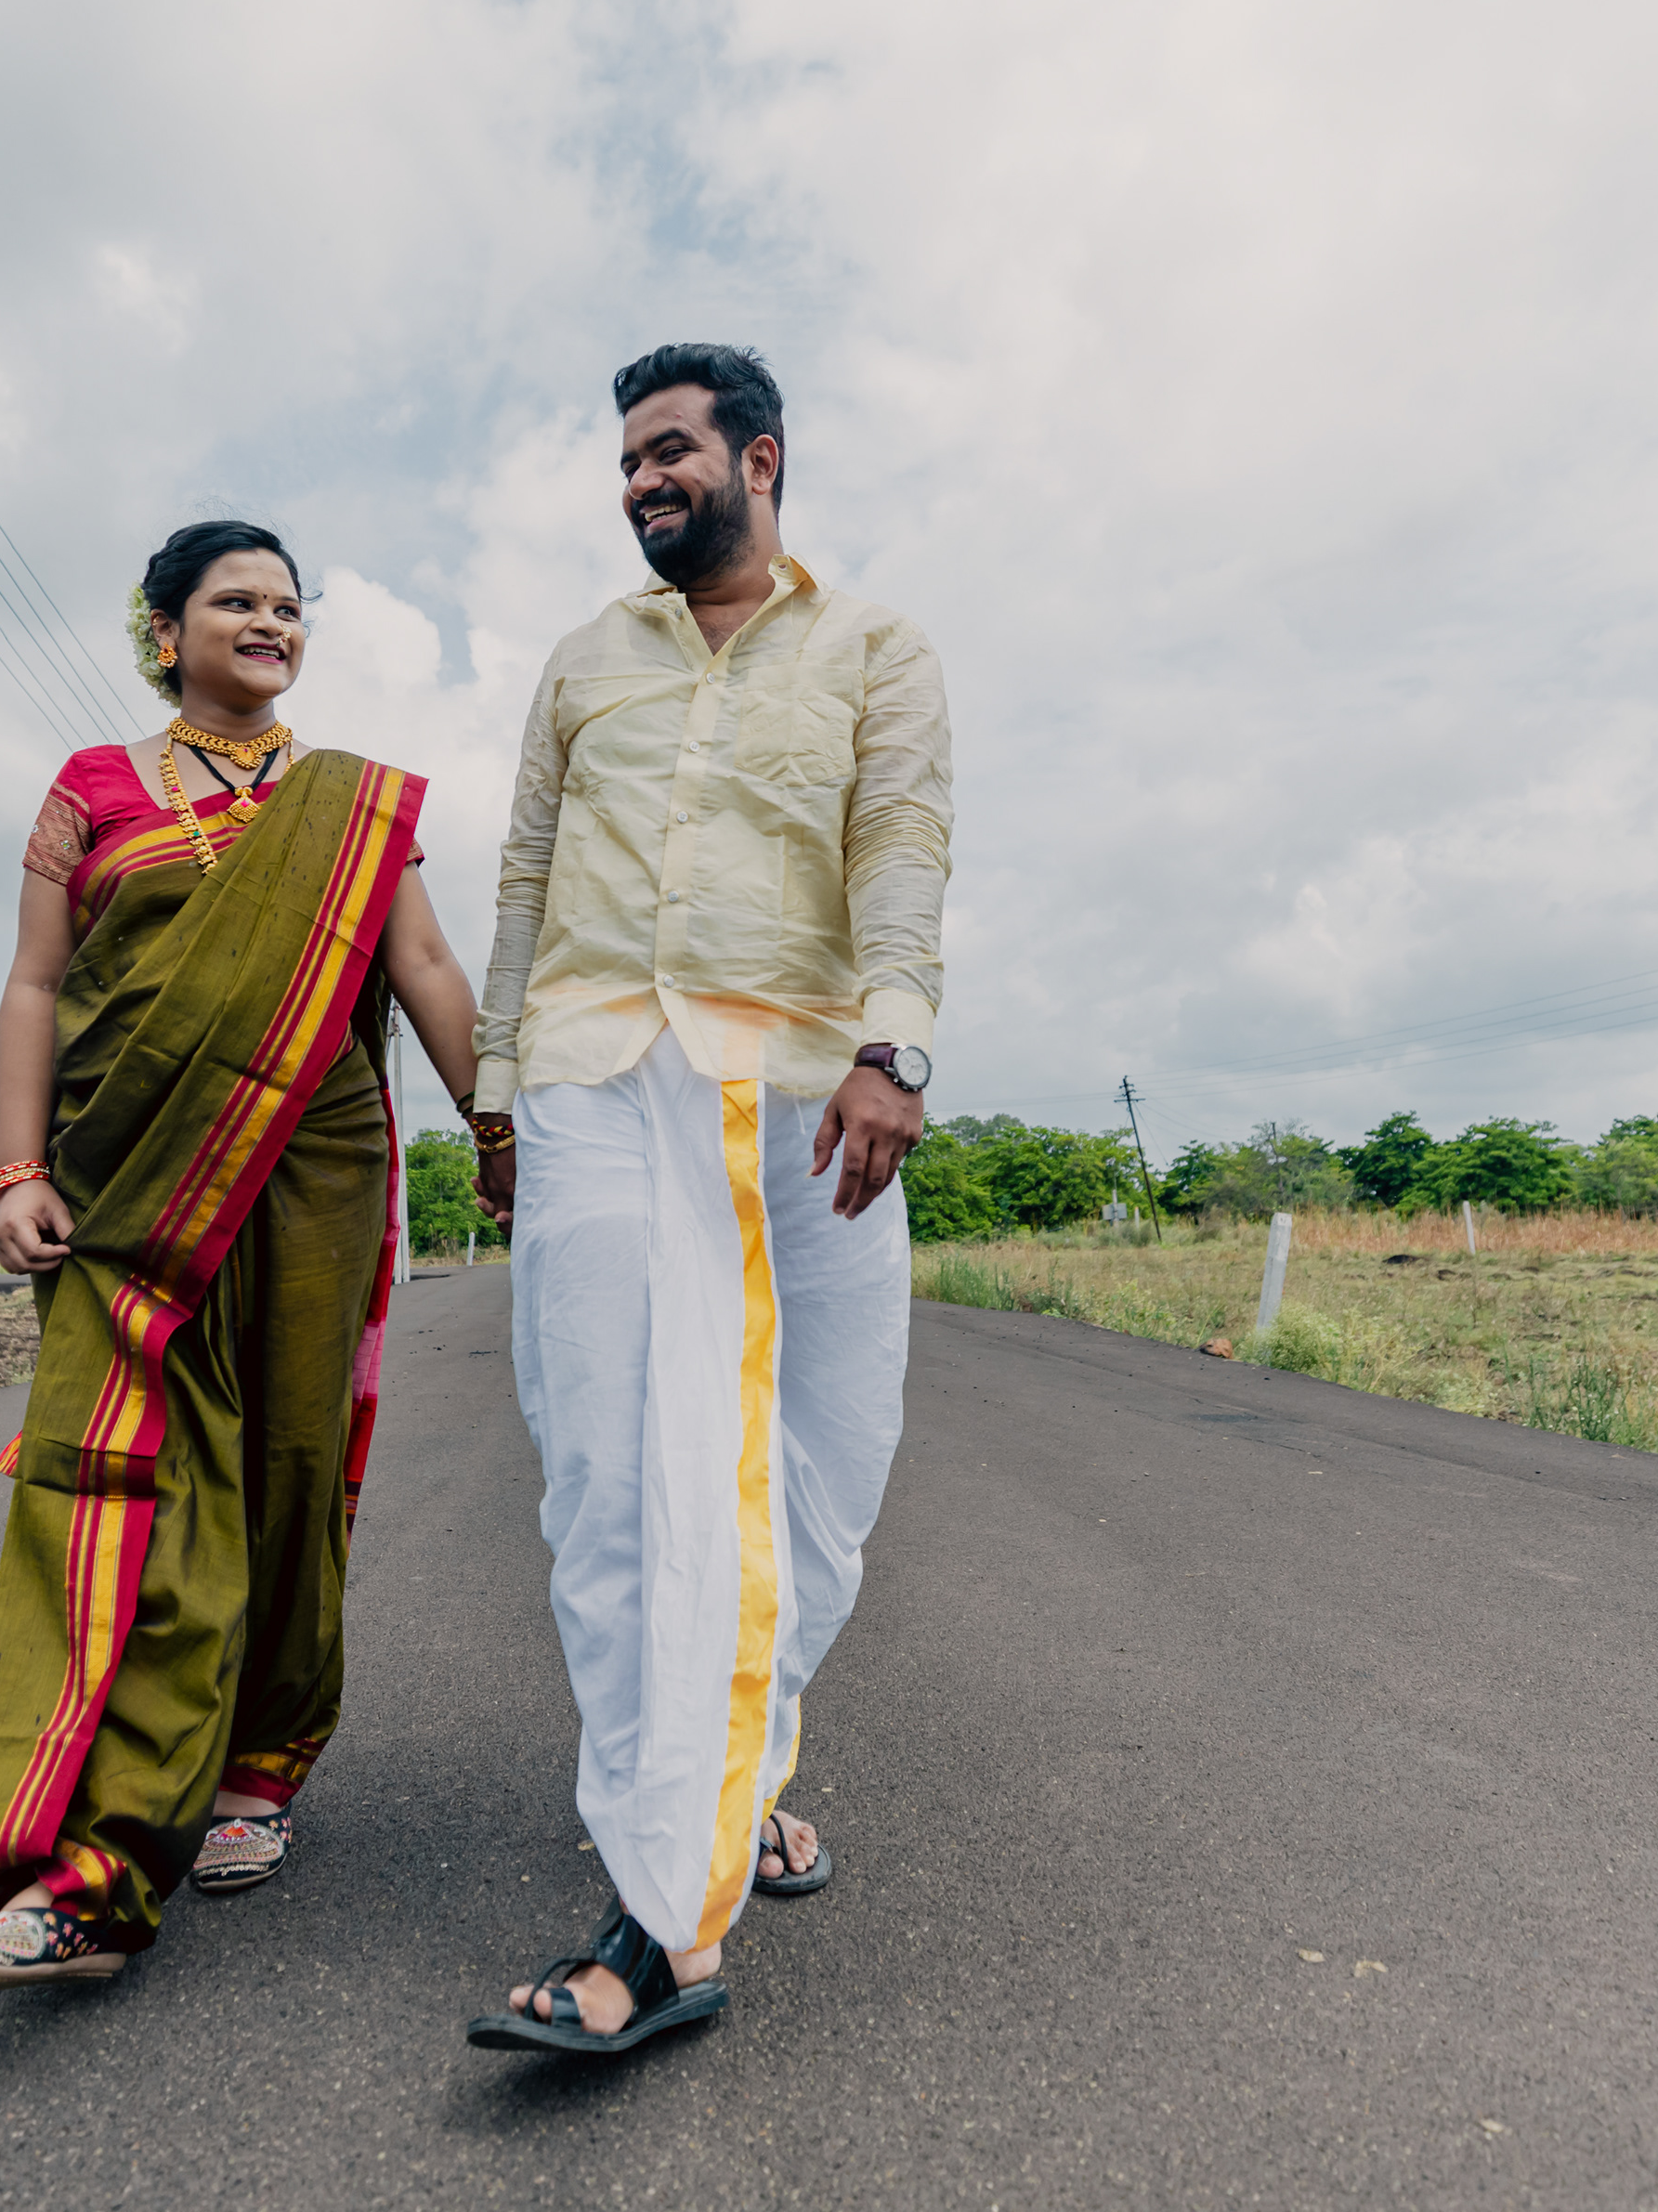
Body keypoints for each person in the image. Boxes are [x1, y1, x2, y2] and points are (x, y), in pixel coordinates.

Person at [462, 345, 951, 2052]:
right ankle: (664, 1915)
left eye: (670, 449)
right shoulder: (585, 659)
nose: (641, 480)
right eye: (626, 460)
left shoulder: (876, 649)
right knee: (612, 1483)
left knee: (823, 1475)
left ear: (762, 458)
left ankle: (727, 1772)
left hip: (811, 1093)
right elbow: (525, 876)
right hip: (598, 1079)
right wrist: (499, 1095)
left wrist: (894, 1046)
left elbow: (901, 848)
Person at [0, 519, 483, 1995]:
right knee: (134, 1483)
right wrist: (16, 1170)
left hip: (316, 1172)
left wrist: (500, 1130)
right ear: (165, 632)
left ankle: (259, 1763)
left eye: (289, 605)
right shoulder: (94, 790)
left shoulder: (351, 804)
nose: (271, 622)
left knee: (293, 1465)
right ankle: (83, 1860)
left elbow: (423, 967)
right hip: (131, 1182)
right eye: (237, 600)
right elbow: (36, 983)